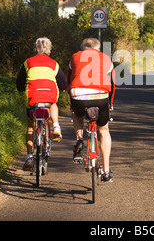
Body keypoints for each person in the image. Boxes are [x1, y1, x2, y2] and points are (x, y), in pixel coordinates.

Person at [67, 38, 115, 182]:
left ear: (82, 48)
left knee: (77, 114)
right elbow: (112, 83)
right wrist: (110, 104)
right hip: (100, 97)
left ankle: (79, 140)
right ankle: (106, 171)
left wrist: (72, 104)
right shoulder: (106, 59)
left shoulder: (75, 57)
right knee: (104, 130)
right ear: (98, 48)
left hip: (78, 96)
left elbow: (70, 80)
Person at [16, 37, 68, 170]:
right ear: (49, 51)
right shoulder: (54, 64)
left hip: (32, 97)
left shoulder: (28, 62)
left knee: (30, 128)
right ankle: (56, 126)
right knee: (53, 103)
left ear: (35, 49)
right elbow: (63, 83)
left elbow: (20, 82)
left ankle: (28, 157)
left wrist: (21, 88)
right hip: (49, 96)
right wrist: (63, 88)